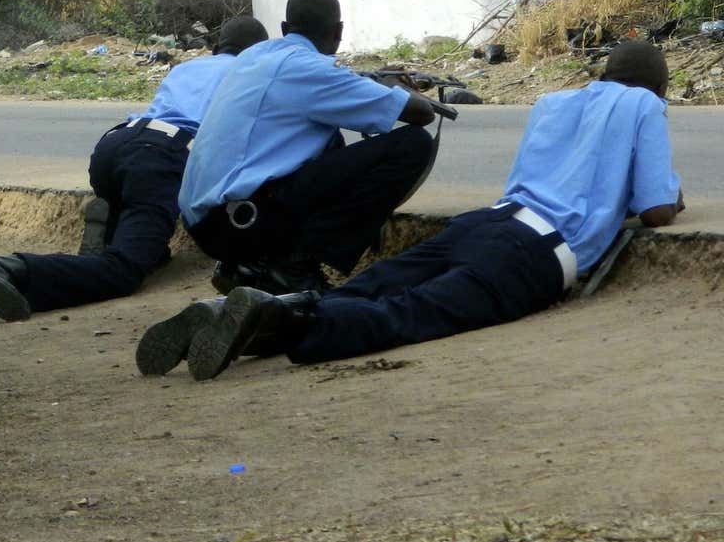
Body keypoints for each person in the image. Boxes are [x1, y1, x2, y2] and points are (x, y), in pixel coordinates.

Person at [139, 39, 683, 380]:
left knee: (377, 284)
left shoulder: (553, 103)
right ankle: (285, 317)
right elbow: (656, 208)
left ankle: (268, 307)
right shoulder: (644, 105)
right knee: (416, 312)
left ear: (605, 72)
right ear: (658, 88)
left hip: (486, 222)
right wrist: (673, 195)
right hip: (535, 251)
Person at [0, 17, 270, 321]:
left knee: (147, 238)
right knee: (124, 271)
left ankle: (114, 221)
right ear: (258, 51)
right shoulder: (252, 73)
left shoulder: (188, 67)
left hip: (116, 144)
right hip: (161, 159)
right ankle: (15, 270)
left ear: (215, 48)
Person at [178, 0, 436, 295]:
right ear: (338, 31)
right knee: (414, 145)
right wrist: (396, 85)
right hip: (239, 223)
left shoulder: (255, 56)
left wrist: (370, 80)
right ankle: (291, 266)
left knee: (326, 139)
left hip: (210, 223)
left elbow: (323, 81)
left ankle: (253, 264)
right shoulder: (311, 71)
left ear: (285, 29)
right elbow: (421, 114)